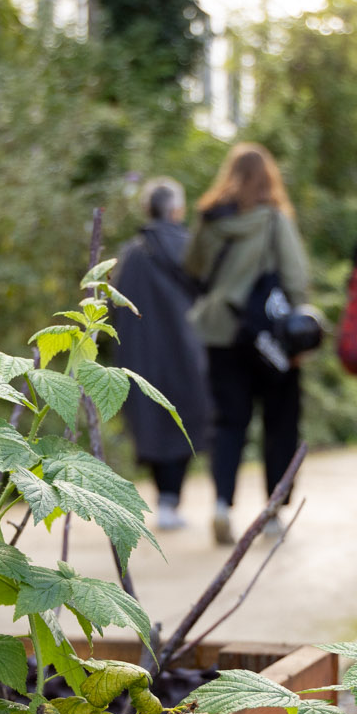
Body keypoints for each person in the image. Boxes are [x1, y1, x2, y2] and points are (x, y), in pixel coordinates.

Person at [185, 143, 311, 545]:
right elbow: (296, 278)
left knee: (228, 422)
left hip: (221, 333)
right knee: (279, 421)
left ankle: (222, 504)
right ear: (268, 178)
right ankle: (272, 513)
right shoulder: (273, 220)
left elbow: (193, 269)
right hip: (268, 339)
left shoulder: (209, 220)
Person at [111, 178, 212, 530]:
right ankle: (171, 499)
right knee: (183, 419)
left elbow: (113, 307)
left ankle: (164, 499)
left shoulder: (130, 255)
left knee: (151, 422)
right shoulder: (190, 248)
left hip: (140, 356)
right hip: (188, 351)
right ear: (175, 210)